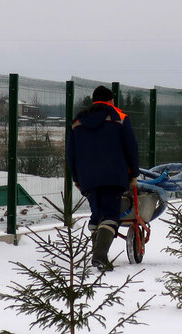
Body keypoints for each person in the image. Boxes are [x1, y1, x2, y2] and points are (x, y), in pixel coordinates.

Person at [66, 85, 139, 271]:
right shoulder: (119, 118)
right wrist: (134, 173)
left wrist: (77, 177)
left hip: (87, 177)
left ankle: (97, 252)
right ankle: (100, 255)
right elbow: (131, 147)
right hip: (114, 175)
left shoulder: (77, 121)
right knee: (110, 215)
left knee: (96, 214)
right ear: (111, 100)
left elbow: (71, 153)